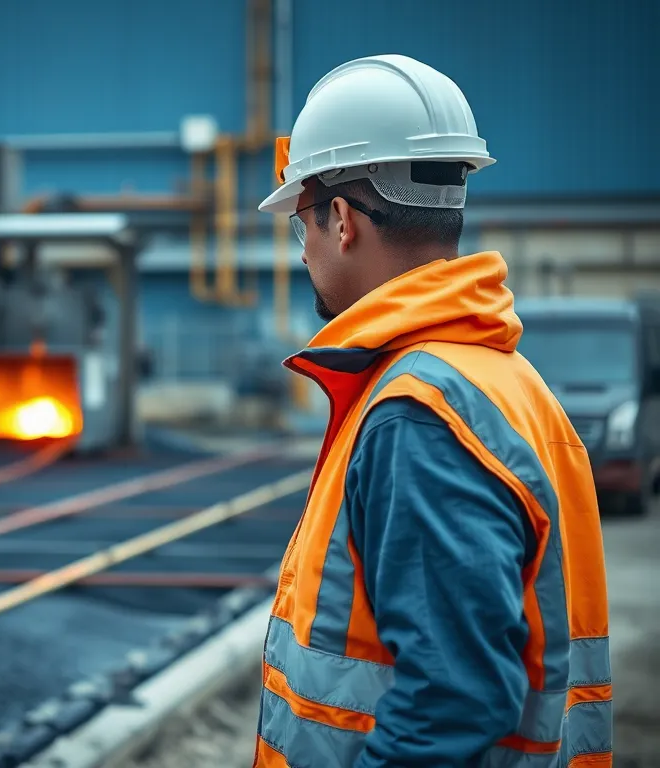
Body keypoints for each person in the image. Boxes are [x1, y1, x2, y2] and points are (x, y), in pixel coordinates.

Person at [252, 54, 613, 767]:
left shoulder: (419, 414)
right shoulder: (503, 378)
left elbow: (453, 701)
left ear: (344, 220)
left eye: (304, 227)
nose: (304, 254)